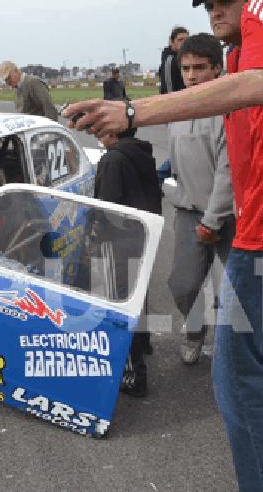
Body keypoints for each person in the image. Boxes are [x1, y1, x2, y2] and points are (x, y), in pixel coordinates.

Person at [63, 0, 263, 490]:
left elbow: (258, 83)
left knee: (240, 378)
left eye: (226, 0)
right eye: (209, 3)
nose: (217, 11)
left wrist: (134, 112)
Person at [160, 33, 236, 365]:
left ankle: (237, 350)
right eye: (186, 67)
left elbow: (228, 169)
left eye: (200, 68)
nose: (191, 75)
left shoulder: (229, 109)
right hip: (188, 212)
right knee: (183, 284)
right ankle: (195, 331)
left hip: (228, 216)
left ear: (217, 69)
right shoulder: (178, 108)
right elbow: (178, 156)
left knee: (238, 289)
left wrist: (212, 221)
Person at [92, 127, 162, 397]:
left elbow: (107, 207)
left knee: (121, 302)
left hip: (117, 240)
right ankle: (143, 342)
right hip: (140, 236)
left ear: (112, 132)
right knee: (138, 294)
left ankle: (133, 374)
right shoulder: (141, 153)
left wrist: (94, 232)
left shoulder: (112, 159)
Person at [157, 26, 189, 94]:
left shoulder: (185, 58)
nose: (184, 42)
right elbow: (169, 88)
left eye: (186, 39)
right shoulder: (170, 61)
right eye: (180, 39)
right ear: (172, 42)